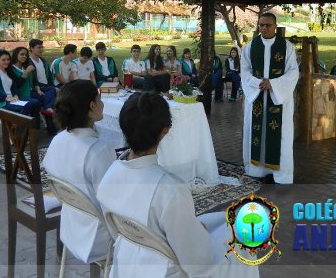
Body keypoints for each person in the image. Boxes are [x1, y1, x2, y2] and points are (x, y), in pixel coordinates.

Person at [96, 92, 259, 278]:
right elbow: (198, 263)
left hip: (127, 261)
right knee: (245, 241)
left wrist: (193, 232)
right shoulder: (170, 189)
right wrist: (197, 236)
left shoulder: (110, 174)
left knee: (223, 220)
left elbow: (117, 230)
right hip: (166, 270)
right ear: (165, 131)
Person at [43, 80, 116, 265]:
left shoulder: (58, 140)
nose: (102, 103)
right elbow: (114, 204)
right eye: (99, 99)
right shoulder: (99, 151)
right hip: (99, 240)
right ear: (92, 106)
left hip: (70, 230)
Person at [241, 13, 299, 184]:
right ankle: (258, 170)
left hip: (278, 98)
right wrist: (258, 83)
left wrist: (272, 84)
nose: (264, 28)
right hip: (258, 97)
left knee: (280, 137)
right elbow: (244, 71)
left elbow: (293, 72)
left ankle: (281, 174)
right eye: (261, 25)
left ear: (275, 26)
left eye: (268, 25)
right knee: (257, 133)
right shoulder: (252, 46)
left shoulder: (286, 47)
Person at [0, 49, 42, 124]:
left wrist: (15, 95)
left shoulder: (8, 71)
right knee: (29, 105)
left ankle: (33, 128)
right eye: (3, 60)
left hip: (13, 99)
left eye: (8, 59)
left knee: (36, 102)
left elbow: (13, 86)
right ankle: (19, 130)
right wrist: (6, 98)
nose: (6, 62)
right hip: (0, 102)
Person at [11, 46, 56, 134]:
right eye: (22, 54)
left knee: (51, 93)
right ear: (16, 55)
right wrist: (26, 72)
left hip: (32, 92)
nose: (24, 56)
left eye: (26, 55)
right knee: (43, 101)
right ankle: (41, 129)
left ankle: (51, 129)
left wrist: (38, 89)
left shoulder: (26, 66)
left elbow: (34, 80)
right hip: (22, 95)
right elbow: (16, 86)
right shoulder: (12, 69)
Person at [28, 38, 57, 112]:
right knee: (50, 94)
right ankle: (47, 107)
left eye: (42, 47)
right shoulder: (28, 63)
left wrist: (53, 87)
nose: (41, 49)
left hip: (46, 87)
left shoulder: (44, 62)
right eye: (39, 47)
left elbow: (50, 78)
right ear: (31, 48)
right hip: (35, 89)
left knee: (57, 91)